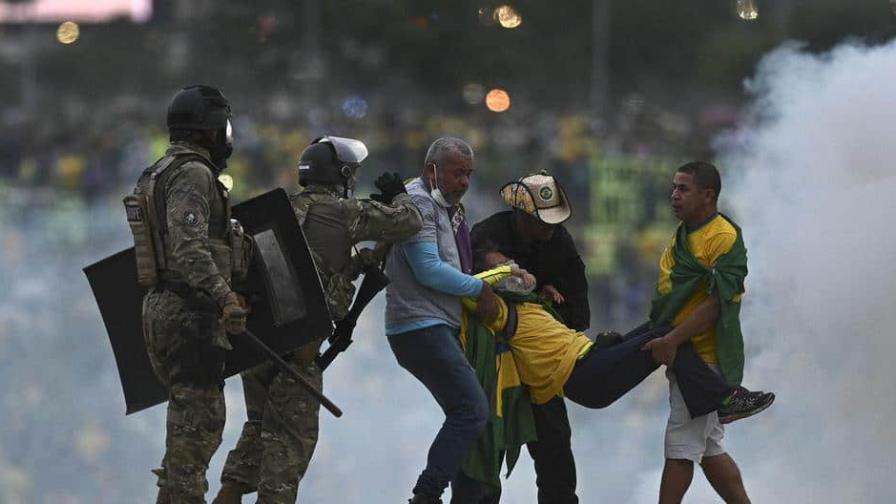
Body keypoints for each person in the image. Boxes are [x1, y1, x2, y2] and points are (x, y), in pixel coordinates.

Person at [213, 136, 423, 504]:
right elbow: (410, 222)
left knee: (257, 428)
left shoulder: (282, 211)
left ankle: (228, 493)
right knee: (287, 449)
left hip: (259, 346)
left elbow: (304, 273)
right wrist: (399, 196)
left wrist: (358, 265)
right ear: (341, 175)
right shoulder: (344, 212)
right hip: (299, 354)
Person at [383, 137, 524, 504]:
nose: (465, 182)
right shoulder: (419, 203)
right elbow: (428, 270)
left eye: (469, 174)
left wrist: (502, 275)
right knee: (471, 409)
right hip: (419, 325)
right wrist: (479, 292)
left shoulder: (448, 208)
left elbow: (455, 270)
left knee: (466, 414)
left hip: (435, 325)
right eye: (457, 173)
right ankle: (426, 496)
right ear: (432, 170)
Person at [133, 85, 251, 504]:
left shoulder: (158, 170)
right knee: (197, 435)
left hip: (164, 309)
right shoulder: (192, 173)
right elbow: (187, 248)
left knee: (184, 439)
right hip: (189, 315)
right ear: (212, 130)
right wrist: (225, 297)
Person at [642, 161, 771, 504]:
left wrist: (672, 339)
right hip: (682, 352)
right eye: (674, 187)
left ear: (708, 195)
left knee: (680, 450)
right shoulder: (684, 233)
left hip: (703, 360)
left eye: (683, 189)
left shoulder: (723, 237)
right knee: (711, 450)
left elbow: (718, 304)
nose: (674, 195)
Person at [469, 171, 585, 503]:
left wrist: (549, 304)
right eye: (542, 222)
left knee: (555, 447)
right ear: (521, 215)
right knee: (484, 447)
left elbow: (576, 303)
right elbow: (473, 283)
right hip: (494, 361)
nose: (549, 229)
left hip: (539, 361)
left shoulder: (559, 242)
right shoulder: (487, 234)